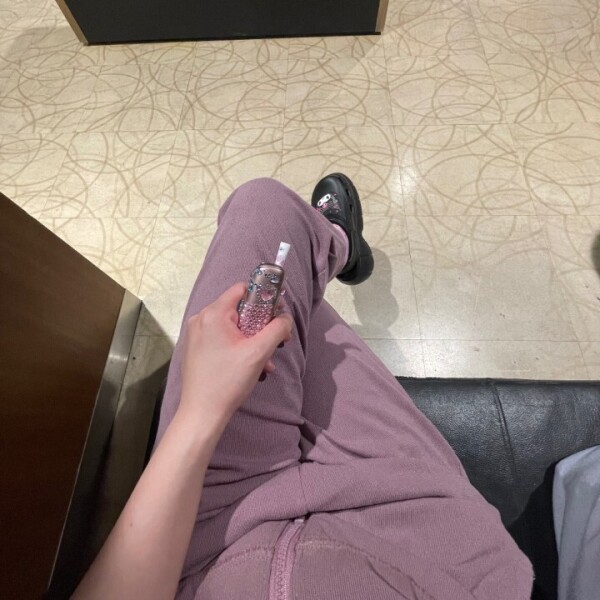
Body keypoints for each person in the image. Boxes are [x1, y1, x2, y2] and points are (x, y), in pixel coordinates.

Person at [73, 175, 533, 600]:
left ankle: (332, 242)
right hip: (419, 535)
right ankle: (334, 242)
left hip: (209, 543)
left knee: (263, 207)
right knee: (293, 288)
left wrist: (200, 412)